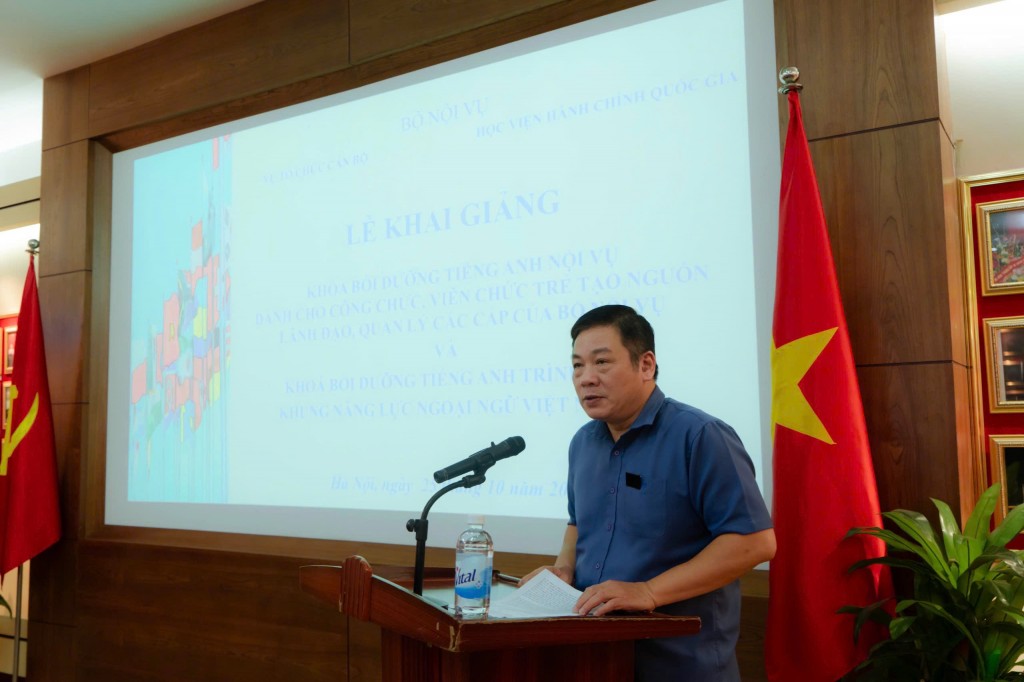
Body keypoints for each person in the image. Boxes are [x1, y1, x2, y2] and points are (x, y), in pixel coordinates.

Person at [521, 304, 775, 681]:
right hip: (597, 660)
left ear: (646, 365)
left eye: (601, 362)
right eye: (577, 366)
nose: (586, 378)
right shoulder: (583, 443)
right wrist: (564, 570)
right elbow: (579, 525)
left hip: (680, 663)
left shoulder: (700, 436)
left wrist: (649, 591)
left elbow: (754, 543)